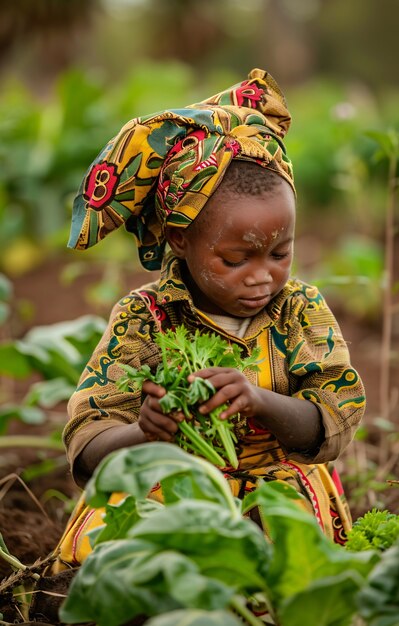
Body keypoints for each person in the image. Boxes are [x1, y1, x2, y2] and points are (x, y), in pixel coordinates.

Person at [53, 68, 365, 570]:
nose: (262, 278)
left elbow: (336, 419)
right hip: (168, 489)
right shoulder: (145, 318)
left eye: (280, 254)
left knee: (282, 563)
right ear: (180, 239)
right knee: (115, 555)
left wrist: (260, 401)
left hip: (273, 497)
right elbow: (88, 444)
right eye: (236, 260)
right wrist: (145, 433)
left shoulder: (300, 310)